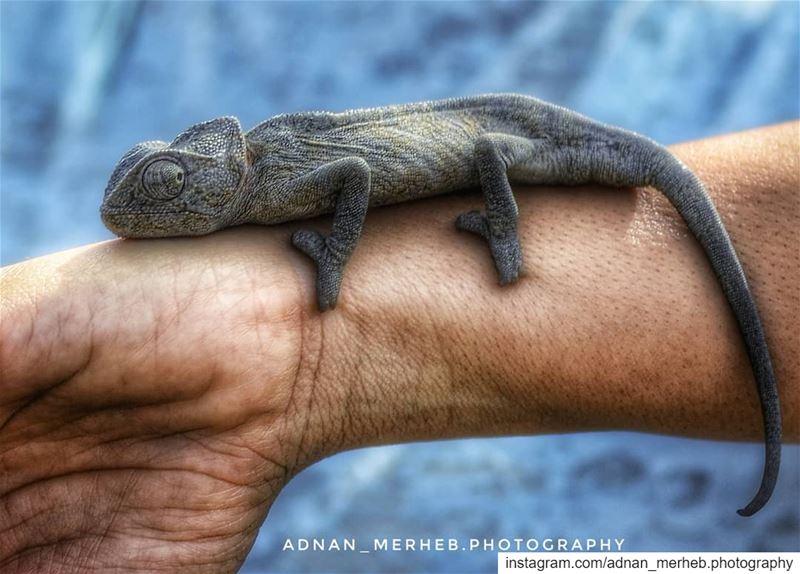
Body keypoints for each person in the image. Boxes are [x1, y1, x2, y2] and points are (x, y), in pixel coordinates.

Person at [1, 123, 797, 572]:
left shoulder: (272, 179)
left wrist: (336, 276)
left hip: (510, 146)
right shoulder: (252, 178)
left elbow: (352, 172)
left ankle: (503, 229)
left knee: (488, 156)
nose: (143, 209)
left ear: (213, 181)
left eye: (172, 187)